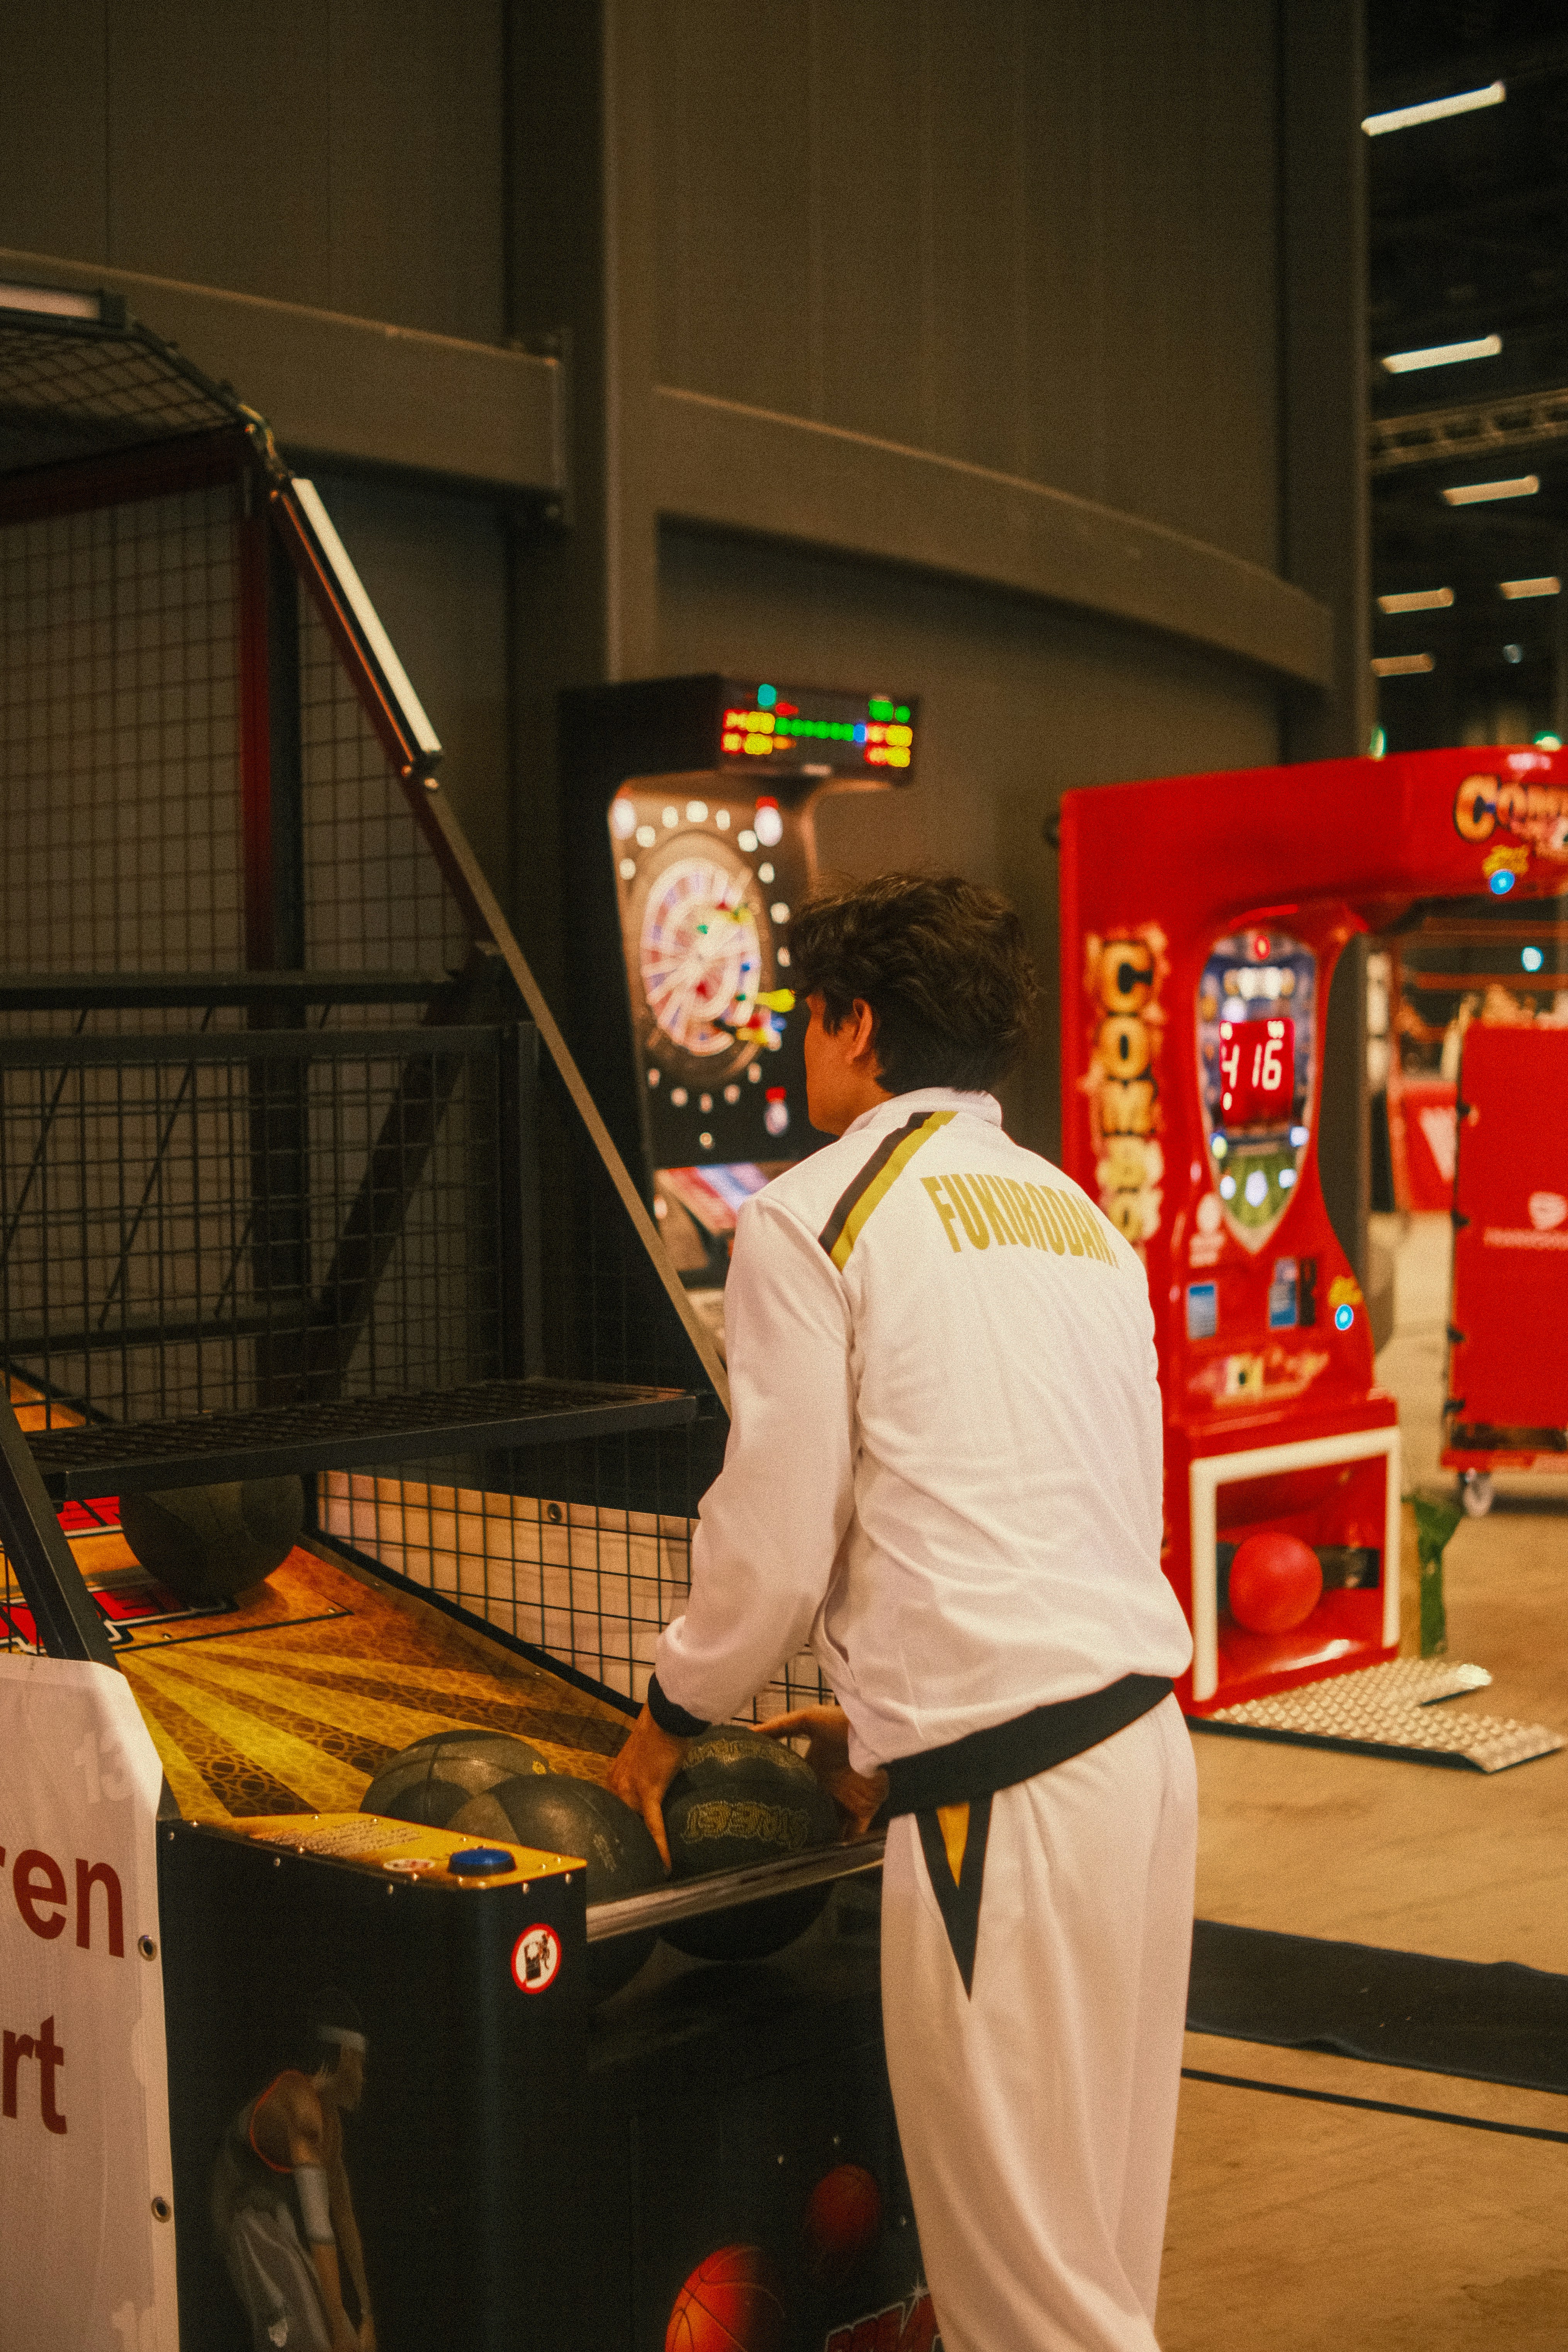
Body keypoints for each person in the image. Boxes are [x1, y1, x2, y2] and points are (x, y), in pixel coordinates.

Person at [609, 871, 1196, 2352]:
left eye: (813, 1014)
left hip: (1000, 1809)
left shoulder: (810, 1216)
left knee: (1024, 2301)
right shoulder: (1078, 1217)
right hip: (1142, 1759)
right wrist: (881, 1717)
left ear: (857, 1023)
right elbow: (1087, 1497)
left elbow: (775, 1541)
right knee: (1102, 2261)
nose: (799, 1046)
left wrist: (674, 1710)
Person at [212, 1990, 376, 2352]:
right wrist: (338, 2328)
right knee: (311, 2335)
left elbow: (344, 2219)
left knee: (335, 2322)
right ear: (346, 2055)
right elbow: (321, 2229)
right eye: (362, 2064)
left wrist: (364, 2314)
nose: (364, 2078)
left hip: (275, 2213)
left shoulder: (331, 2127)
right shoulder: (301, 2105)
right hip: (241, 2209)